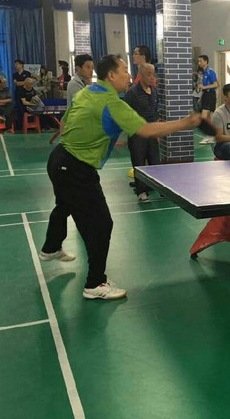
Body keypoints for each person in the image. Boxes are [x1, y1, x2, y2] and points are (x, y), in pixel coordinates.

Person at [39, 54, 202, 300]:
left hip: (58, 159)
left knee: (65, 205)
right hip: (76, 169)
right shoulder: (112, 103)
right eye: (125, 70)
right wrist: (186, 123)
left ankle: (51, 248)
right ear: (111, 75)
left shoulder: (87, 92)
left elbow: (64, 122)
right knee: (101, 224)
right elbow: (145, 129)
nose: (129, 75)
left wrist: (87, 136)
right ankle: (95, 284)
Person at [124, 64, 160, 202]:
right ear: (140, 75)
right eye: (148, 74)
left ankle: (160, 188)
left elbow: (155, 110)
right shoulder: (132, 93)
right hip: (137, 135)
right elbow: (126, 113)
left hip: (151, 134)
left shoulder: (155, 91)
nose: (152, 77)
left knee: (155, 162)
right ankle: (141, 192)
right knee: (139, 163)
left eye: (153, 74)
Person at [197, 55, 218, 144]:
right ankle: (211, 136)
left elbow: (216, 84)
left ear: (205, 61)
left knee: (204, 117)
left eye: (200, 61)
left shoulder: (210, 72)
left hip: (210, 95)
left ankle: (211, 136)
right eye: (198, 61)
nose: (199, 63)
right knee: (209, 117)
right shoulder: (203, 73)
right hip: (205, 94)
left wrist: (204, 87)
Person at [12, 59, 32, 130]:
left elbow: (29, 83)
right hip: (18, 94)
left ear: (21, 65)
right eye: (15, 64)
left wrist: (23, 83)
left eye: (17, 64)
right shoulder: (14, 74)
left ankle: (29, 125)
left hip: (26, 94)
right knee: (19, 110)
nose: (16, 66)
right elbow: (16, 83)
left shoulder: (27, 73)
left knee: (27, 109)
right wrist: (24, 82)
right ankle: (20, 126)